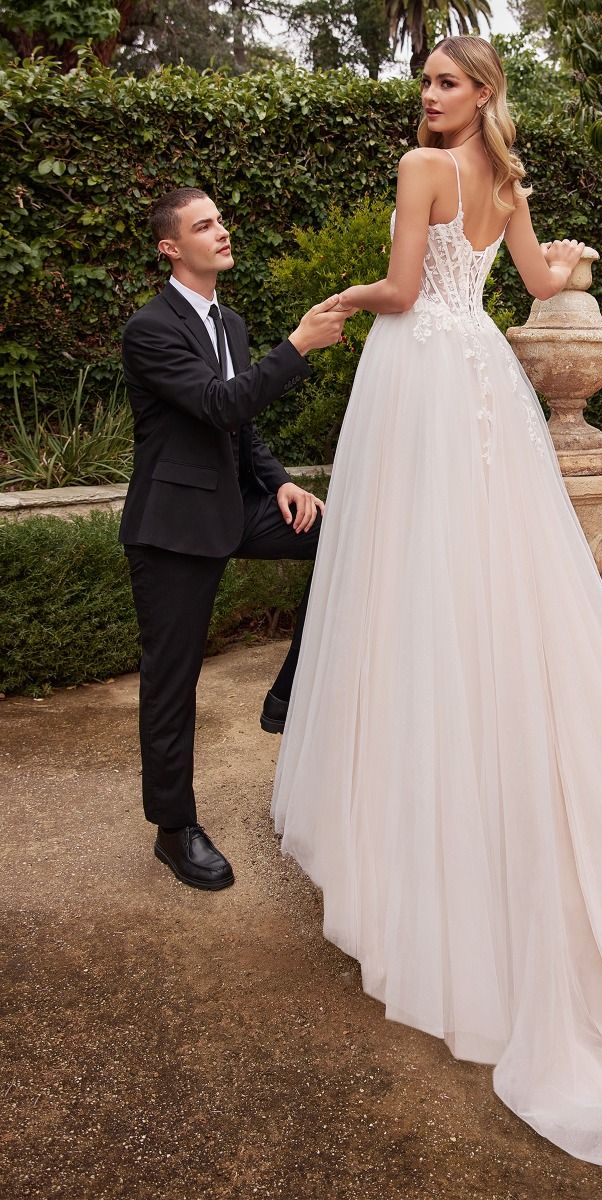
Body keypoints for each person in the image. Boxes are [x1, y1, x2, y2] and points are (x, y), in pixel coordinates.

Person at [271, 36, 602, 1175]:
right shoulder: (508, 182)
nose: (427, 99)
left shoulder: (422, 174)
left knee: (407, 575)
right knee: (489, 569)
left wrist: (350, 295)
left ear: (482, 95)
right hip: (482, 382)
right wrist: (561, 257)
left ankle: (412, 816)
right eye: (423, 85)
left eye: (444, 85)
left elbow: (407, 292)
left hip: (419, 367)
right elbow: (546, 284)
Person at [121, 187, 348, 891]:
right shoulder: (149, 329)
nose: (222, 231)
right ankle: (174, 829)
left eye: (220, 220)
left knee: (344, 536)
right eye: (204, 225)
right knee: (171, 685)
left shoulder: (233, 323)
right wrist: (299, 347)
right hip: (172, 531)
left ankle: (286, 692)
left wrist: (278, 480)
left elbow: (242, 431)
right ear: (171, 247)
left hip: (237, 505)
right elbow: (221, 403)